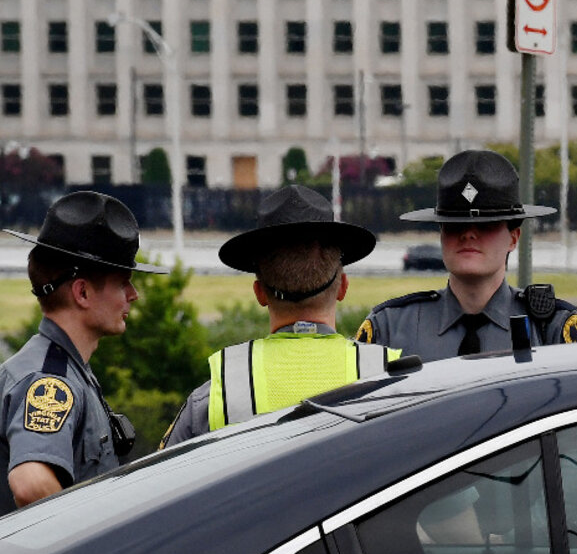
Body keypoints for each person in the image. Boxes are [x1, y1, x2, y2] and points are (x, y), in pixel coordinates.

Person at [161, 185, 402, 447]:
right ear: (343, 287)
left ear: (260, 294)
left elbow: (164, 480)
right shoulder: (393, 377)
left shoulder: (219, 392)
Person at [0, 190, 166, 511]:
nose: (133, 295)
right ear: (83, 292)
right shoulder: (49, 380)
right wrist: (94, 548)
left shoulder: (68, 369)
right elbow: (31, 483)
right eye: (123, 283)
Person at [356, 149, 577, 360]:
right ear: (441, 233)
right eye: (454, 225)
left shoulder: (553, 329)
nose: (468, 234)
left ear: (513, 238)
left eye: (485, 225)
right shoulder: (389, 328)